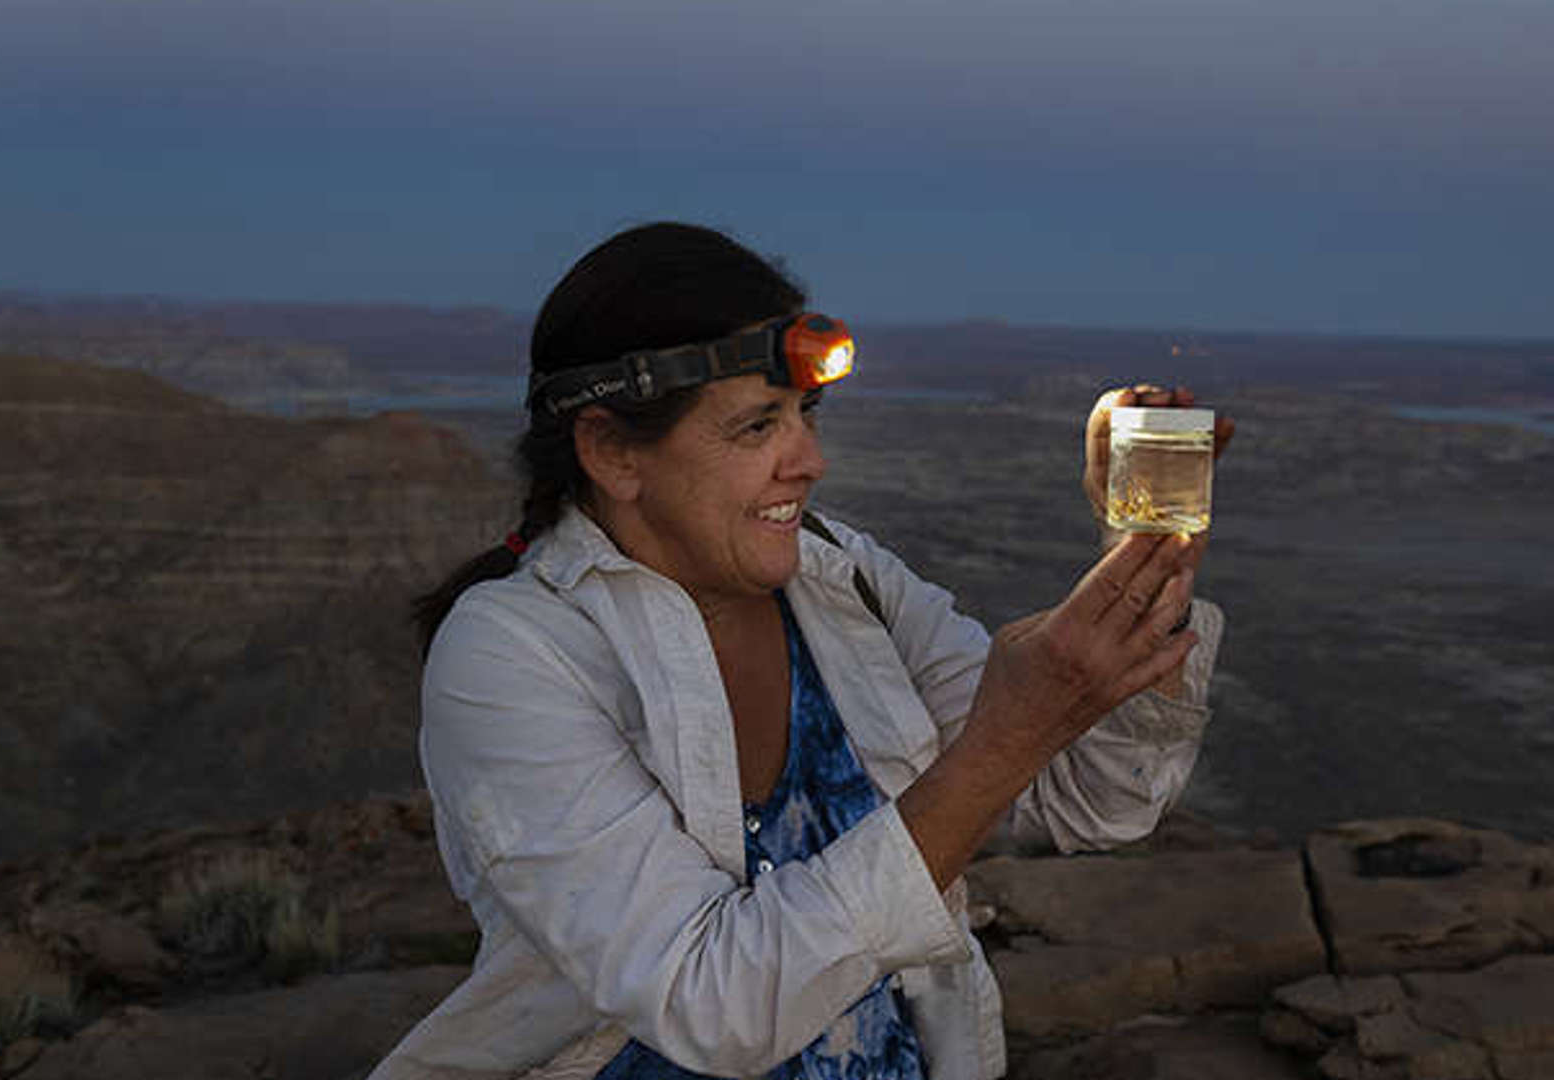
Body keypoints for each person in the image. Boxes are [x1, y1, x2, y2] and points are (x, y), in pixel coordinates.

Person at [371, 223, 1231, 1080]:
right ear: (610, 452)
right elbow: (712, 1005)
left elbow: (1097, 802)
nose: (810, 461)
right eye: (756, 428)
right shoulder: (512, 654)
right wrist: (1000, 743)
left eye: (805, 414)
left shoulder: (840, 583)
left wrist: (1145, 549)